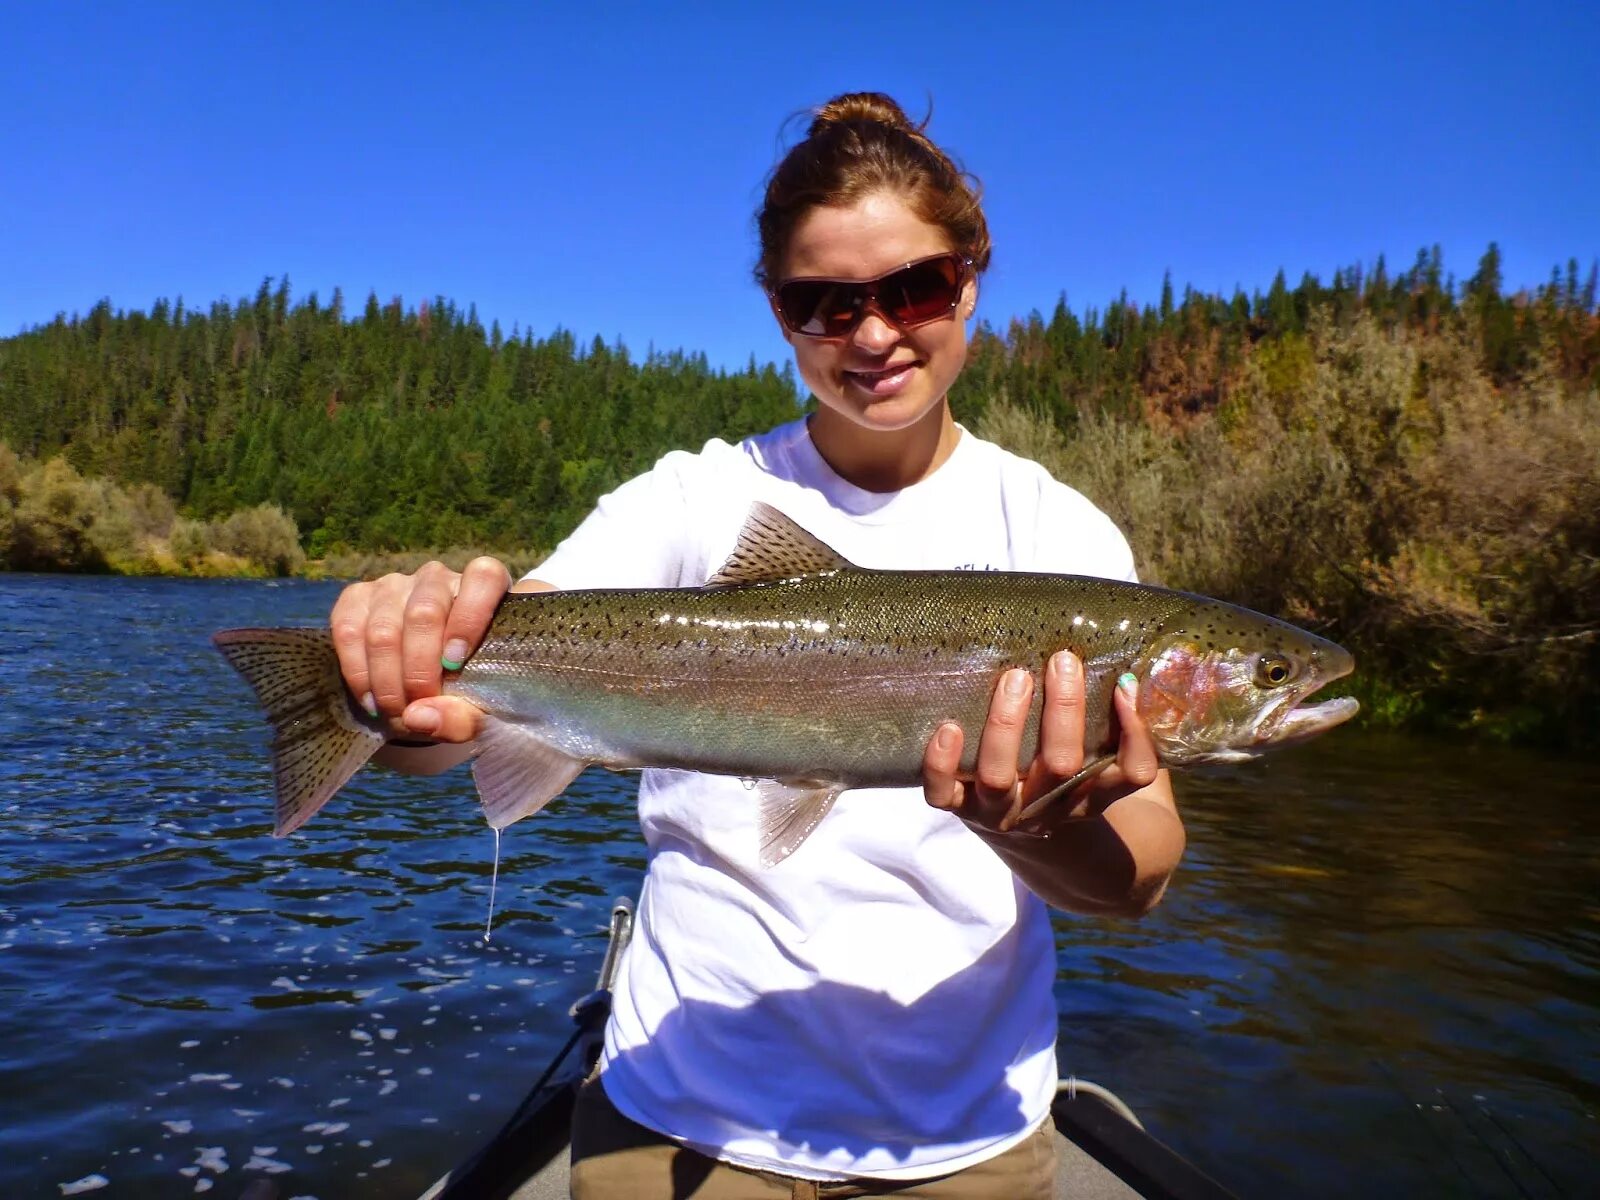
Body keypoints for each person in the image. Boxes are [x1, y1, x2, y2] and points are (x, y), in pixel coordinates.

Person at [330, 92, 1185, 1198]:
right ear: (780, 314)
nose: (873, 335)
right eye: (824, 303)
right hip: (676, 1118)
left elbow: (1139, 874)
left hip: (962, 1141)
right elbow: (450, 725)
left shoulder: (1058, 536)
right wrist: (385, 689)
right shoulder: (695, 498)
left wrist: (1025, 832)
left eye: (914, 288)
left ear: (970, 278)